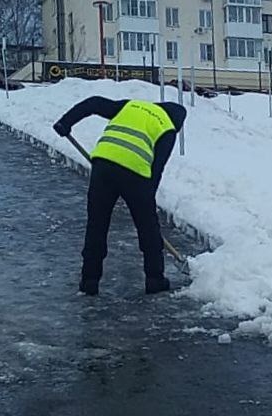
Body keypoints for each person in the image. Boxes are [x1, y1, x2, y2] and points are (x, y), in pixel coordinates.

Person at [53, 96, 186, 296]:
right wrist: (146, 200)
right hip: (135, 175)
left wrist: (66, 122)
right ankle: (154, 279)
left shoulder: (131, 106)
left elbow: (94, 103)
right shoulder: (167, 128)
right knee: (148, 229)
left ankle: (89, 281)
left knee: (97, 225)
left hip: (103, 166)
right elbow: (157, 167)